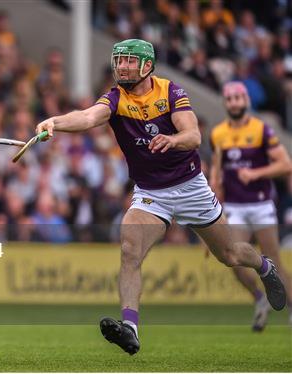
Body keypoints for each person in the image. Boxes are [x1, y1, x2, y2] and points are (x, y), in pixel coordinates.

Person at [34, 39, 287, 355]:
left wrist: (174, 139)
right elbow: (86, 118)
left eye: (128, 61)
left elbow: (193, 136)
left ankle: (264, 267)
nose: (121, 66)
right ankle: (130, 328)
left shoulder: (171, 92)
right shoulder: (116, 98)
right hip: (152, 193)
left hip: (191, 187)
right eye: (119, 61)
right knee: (129, 249)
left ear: (147, 65)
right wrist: (54, 122)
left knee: (231, 255)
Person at [210, 81, 292, 331]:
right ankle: (259, 299)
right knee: (231, 258)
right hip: (234, 205)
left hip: (260, 205)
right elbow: (216, 172)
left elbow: (285, 165)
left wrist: (255, 174)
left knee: (275, 260)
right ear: (225, 103)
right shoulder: (218, 133)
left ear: (246, 101)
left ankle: (291, 308)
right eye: (230, 98)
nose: (234, 102)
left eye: (238, 98)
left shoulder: (261, 130)